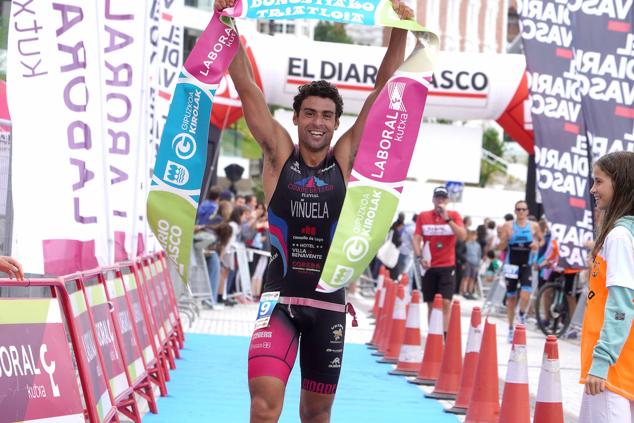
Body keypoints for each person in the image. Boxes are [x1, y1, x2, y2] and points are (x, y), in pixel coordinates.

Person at [214, 0, 416, 420]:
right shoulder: (277, 156)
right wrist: (225, 18)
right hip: (280, 303)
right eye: (310, 113)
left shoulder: (343, 160)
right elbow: (246, 86)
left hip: (328, 308)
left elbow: (382, 92)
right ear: (297, 117)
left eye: (327, 115)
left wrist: (400, 28)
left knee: (316, 416)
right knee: (264, 408)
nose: (318, 122)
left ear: (337, 122)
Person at [579, 151, 634, 422]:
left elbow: (620, 306)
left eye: (599, 182)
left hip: (611, 368)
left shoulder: (621, 236)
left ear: (621, 184)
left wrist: (601, 362)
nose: (593, 189)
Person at [413, 186, 467, 332]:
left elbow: (462, 236)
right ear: (433, 199)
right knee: (430, 303)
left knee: (445, 301)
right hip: (429, 266)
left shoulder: (454, 215)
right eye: (438, 197)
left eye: (443, 198)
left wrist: (447, 219)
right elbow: (417, 238)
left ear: (447, 200)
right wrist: (419, 257)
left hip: (447, 265)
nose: (440, 201)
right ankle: (432, 334)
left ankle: (444, 334)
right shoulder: (423, 216)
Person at [497, 200, 543, 342]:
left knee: (525, 294)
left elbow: (541, 241)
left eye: (524, 209)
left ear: (528, 211)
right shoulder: (508, 226)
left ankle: (522, 313)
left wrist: (537, 245)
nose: (521, 212)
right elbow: (500, 247)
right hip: (511, 265)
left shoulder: (533, 226)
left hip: (526, 264)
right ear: (515, 211)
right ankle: (511, 329)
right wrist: (507, 238)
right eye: (519, 209)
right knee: (511, 298)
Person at [460, 230, 481, 299]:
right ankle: (464, 291)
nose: (474, 237)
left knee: (473, 278)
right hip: (468, 262)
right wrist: (463, 263)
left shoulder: (478, 245)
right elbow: (463, 253)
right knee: (466, 277)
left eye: (475, 236)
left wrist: (478, 265)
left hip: (475, 263)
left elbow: (479, 255)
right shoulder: (466, 244)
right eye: (472, 235)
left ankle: (470, 291)